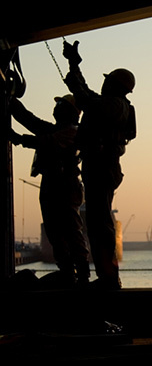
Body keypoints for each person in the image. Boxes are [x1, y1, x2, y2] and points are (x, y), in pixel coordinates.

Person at [62, 40, 137, 290]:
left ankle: (108, 278)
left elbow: (84, 98)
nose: (103, 83)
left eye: (107, 81)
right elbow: (86, 94)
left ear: (114, 85)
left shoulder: (113, 106)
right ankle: (106, 276)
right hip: (104, 167)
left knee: (100, 226)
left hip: (102, 168)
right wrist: (75, 65)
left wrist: (73, 63)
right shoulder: (114, 105)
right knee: (98, 224)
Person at [9, 95, 90, 286]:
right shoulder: (58, 129)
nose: (56, 107)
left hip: (65, 185)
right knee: (55, 231)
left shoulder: (71, 132)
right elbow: (30, 120)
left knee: (71, 230)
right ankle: (67, 271)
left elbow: (45, 140)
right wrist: (12, 101)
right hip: (53, 184)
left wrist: (18, 138)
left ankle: (82, 274)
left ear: (70, 111)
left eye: (60, 104)